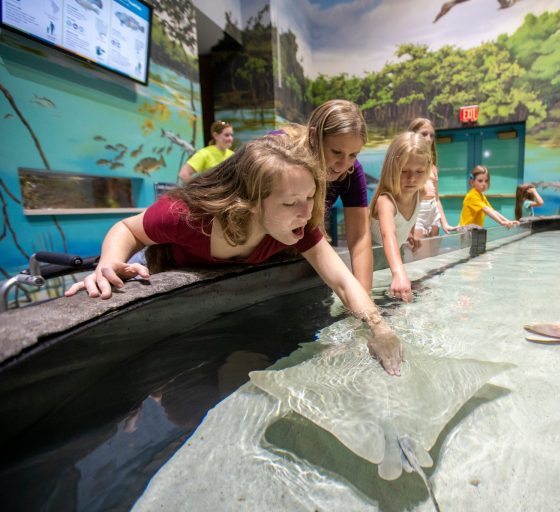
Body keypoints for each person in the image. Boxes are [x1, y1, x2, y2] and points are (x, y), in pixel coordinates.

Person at [65, 135, 403, 376]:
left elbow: (342, 281)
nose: (306, 212)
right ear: (250, 202)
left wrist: (379, 327)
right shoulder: (187, 215)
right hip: (158, 268)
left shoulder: (300, 226)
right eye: (289, 203)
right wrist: (107, 263)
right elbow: (128, 228)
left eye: (311, 197)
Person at [277, 100, 373, 292]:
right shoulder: (279, 152)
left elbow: (359, 236)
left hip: (302, 249)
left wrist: (365, 297)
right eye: (336, 152)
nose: (343, 164)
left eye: (353, 154)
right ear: (313, 136)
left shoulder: (352, 171)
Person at [369, 132, 432, 303]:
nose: (412, 178)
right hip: (374, 264)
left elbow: (406, 219)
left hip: (397, 256)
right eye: (404, 171)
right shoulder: (385, 201)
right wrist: (398, 272)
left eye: (419, 171)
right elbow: (387, 234)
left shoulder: (420, 193)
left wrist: (410, 233)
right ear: (392, 168)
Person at [407, 118, 456, 239]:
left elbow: (437, 198)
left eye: (432, 135)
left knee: (433, 255)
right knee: (418, 255)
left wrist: (444, 223)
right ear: (413, 135)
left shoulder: (433, 167)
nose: (429, 139)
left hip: (433, 212)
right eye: (424, 134)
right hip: (417, 211)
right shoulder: (406, 163)